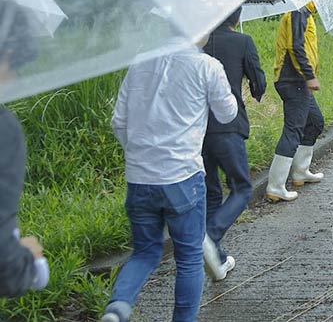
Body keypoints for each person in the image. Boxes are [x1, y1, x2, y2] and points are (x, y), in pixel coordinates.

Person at [101, 36, 238, 322]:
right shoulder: (207, 66)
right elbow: (227, 115)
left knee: (144, 253)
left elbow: (119, 122)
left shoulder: (139, 64)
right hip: (182, 177)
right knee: (188, 259)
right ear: (198, 28)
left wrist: (140, 156)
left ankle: (118, 307)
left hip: (139, 179)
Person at [200, 7, 266, 282]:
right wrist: (255, 89)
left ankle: (216, 255)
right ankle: (210, 236)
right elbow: (259, 82)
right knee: (242, 187)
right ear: (237, 18)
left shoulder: (197, 45)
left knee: (212, 191)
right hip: (229, 127)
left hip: (200, 129)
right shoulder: (243, 41)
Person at [266, 0, 330, 202]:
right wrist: (309, 75)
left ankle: (301, 171)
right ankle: (275, 186)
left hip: (299, 81)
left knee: (314, 122)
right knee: (293, 129)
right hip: (294, 80)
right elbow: (295, 47)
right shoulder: (297, 10)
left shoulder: (306, 13)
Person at [0, 0, 49, 298]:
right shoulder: (4, 131)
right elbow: (5, 268)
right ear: (8, 53)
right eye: (16, 66)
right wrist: (28, 260)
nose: (16, 78)